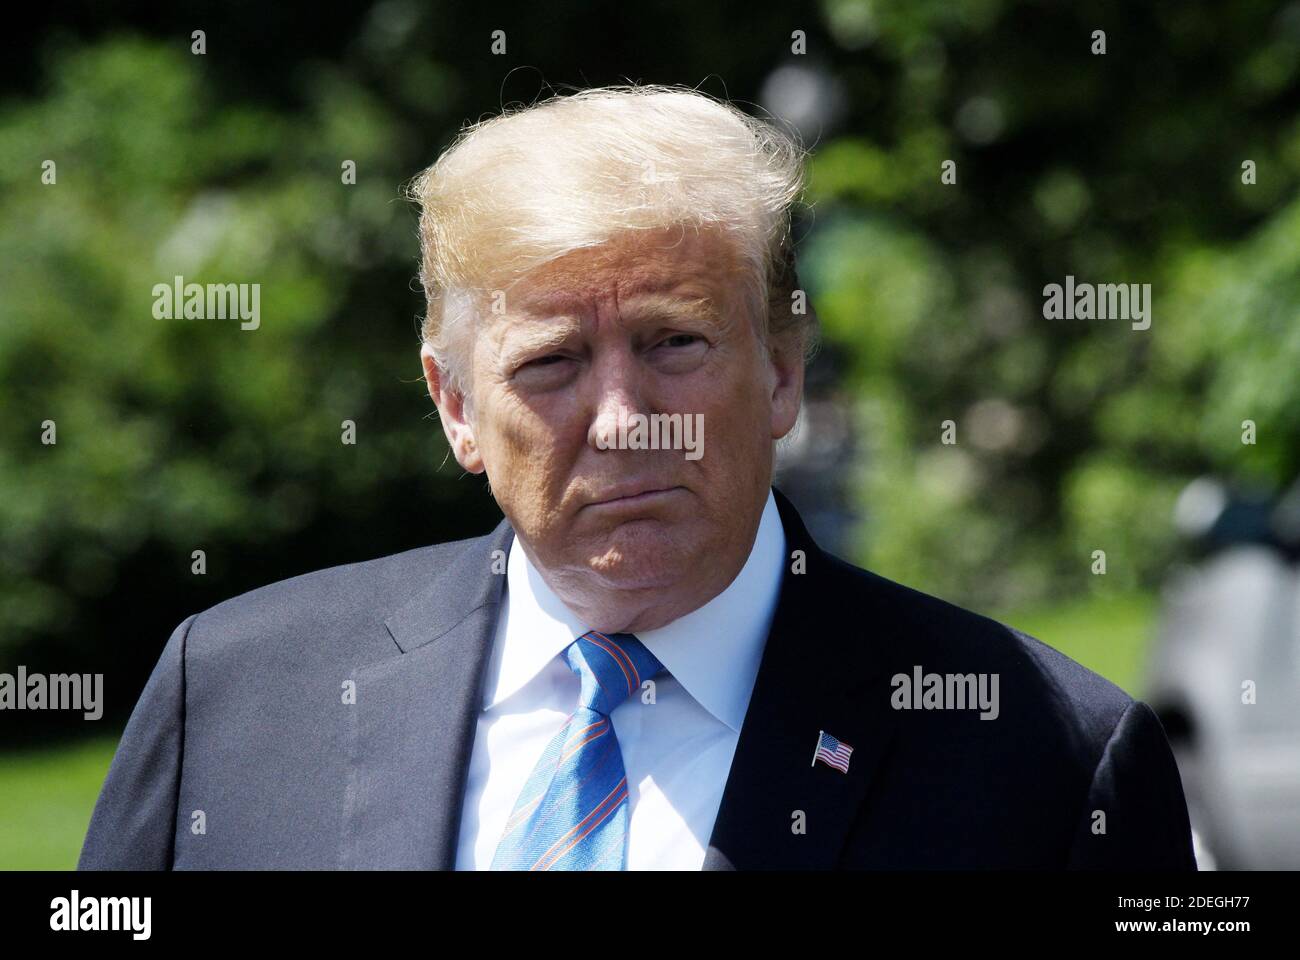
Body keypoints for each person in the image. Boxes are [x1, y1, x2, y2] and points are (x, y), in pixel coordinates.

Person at [78, 85, 1196, 870]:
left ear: (782, 370)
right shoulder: (231, 696)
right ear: (457, 407)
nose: (623, 421)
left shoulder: (1045, 758)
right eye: (551, 364)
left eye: (674, 343)